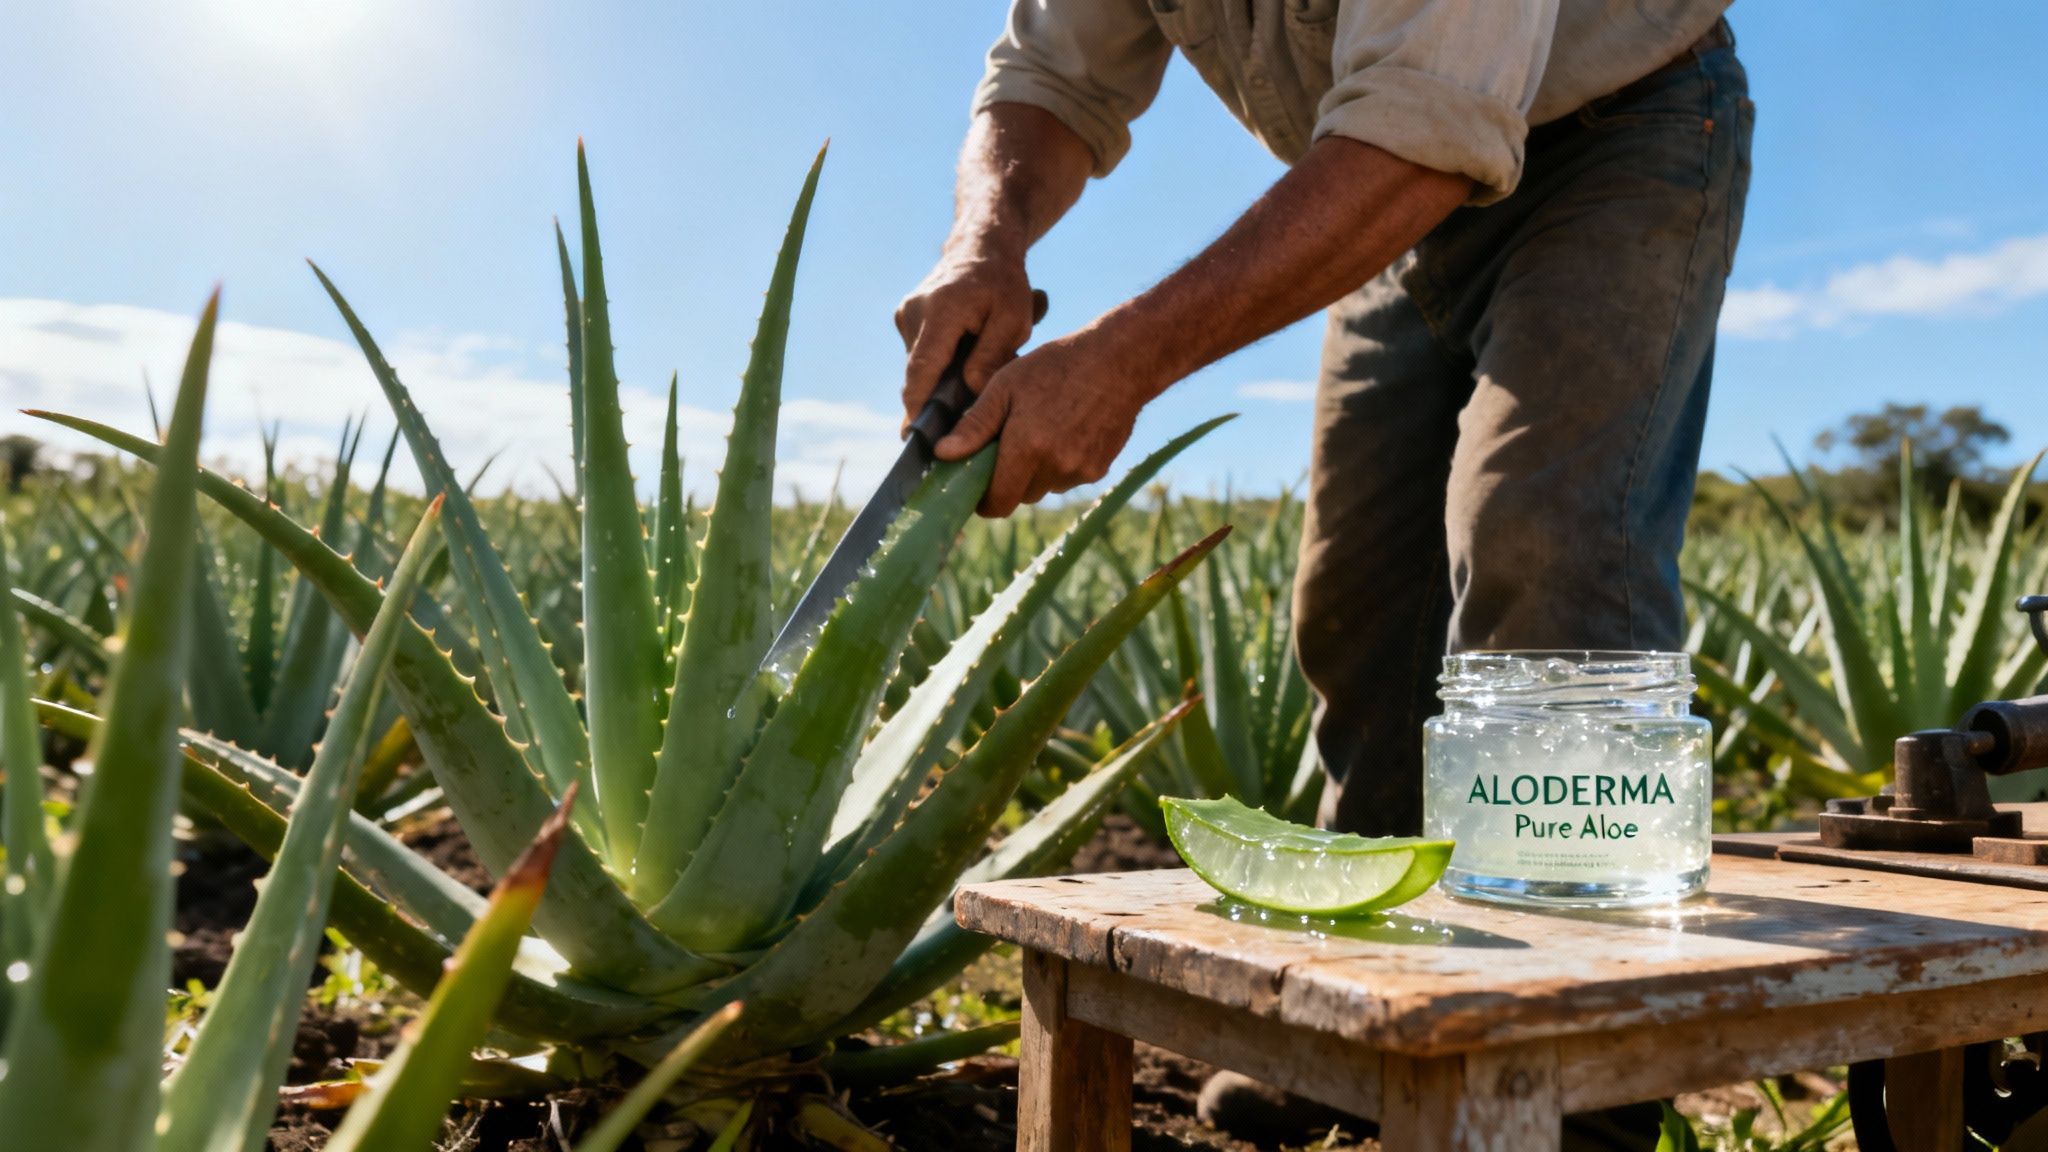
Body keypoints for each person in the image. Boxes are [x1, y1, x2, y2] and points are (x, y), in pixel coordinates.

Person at [898, 1, 1750, 1144]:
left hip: (1609, 138)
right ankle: (1369, 1024)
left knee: (1543, 542)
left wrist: (1119, 364)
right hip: (1381, 190)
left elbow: (1424, 124)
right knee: (1355, 601)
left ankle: (1571, 1080)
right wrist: (984, 240)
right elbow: (1051, 76)